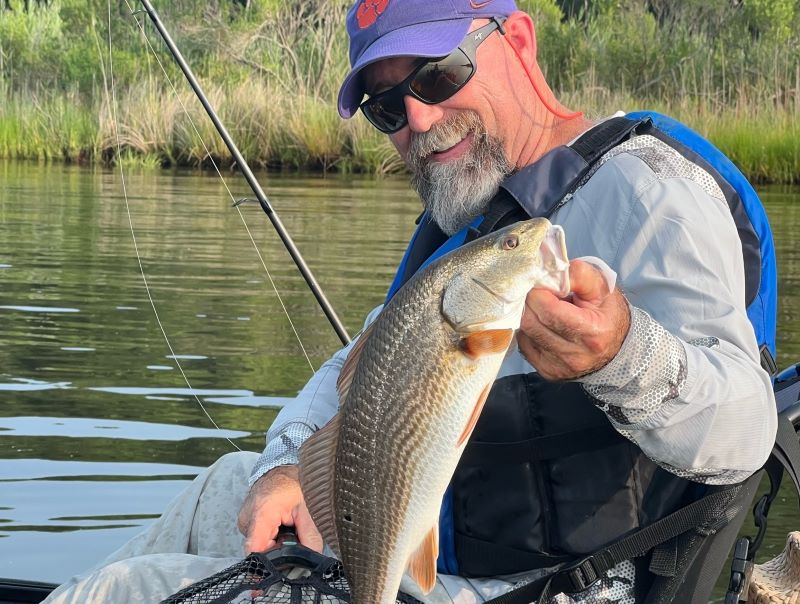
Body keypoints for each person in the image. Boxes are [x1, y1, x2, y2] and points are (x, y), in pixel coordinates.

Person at [43, 1, 778, 603]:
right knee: (223, 486)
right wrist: (287, 464)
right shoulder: (472, 209)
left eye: (438, 76)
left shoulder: (649, 191)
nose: (418, 122)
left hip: (538, 586)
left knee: (123, 591)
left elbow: (748, 425)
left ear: (516, 41)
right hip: (415, 534)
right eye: (386, 107)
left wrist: (622, 354)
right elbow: (360, 364)